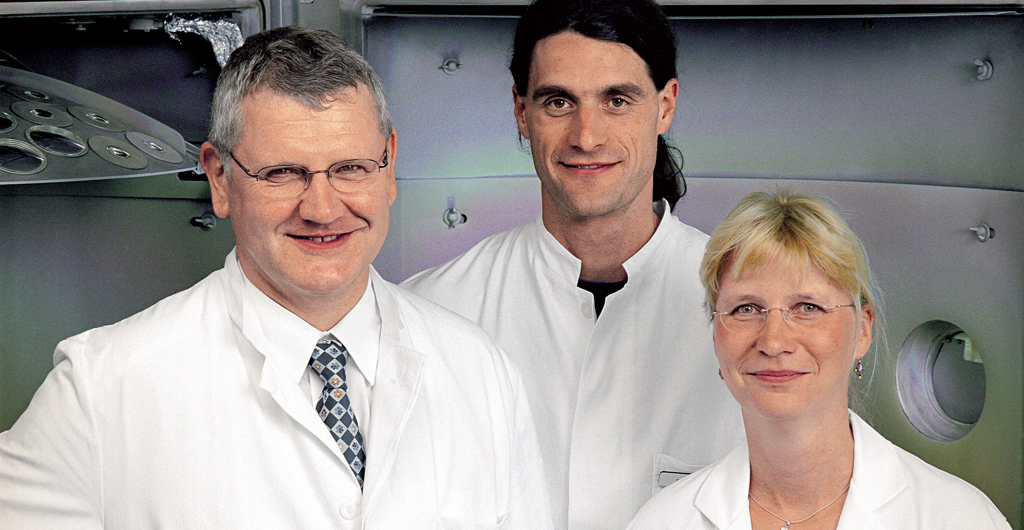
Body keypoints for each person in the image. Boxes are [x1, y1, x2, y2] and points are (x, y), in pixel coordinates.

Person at [0, 26, 551, 529]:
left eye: (350, 168)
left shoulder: (483, 374)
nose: (322, 208)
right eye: (282, 173)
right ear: (219, 178)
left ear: (388, 164)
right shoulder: (100, 394)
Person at [402, 0, 744, 528]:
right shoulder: (430, 313)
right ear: (521, 111)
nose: (587, 136)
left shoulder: (752, 316)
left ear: (666, 105)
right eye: (558, 102)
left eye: (617, 101)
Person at [627, 189, 1011, 530]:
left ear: (863, 329)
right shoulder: (663, 521)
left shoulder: (959, 519)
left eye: (807, 307)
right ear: (715, 334)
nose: (774, 341)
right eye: (746, 308)